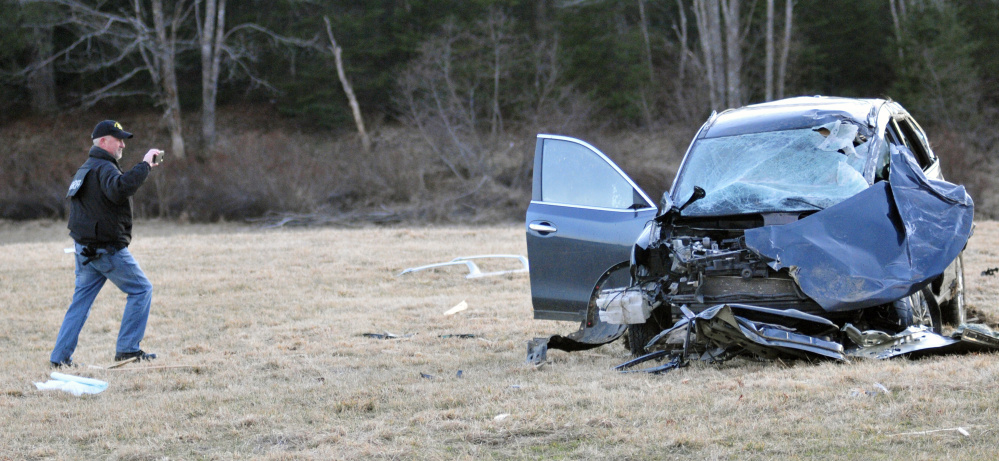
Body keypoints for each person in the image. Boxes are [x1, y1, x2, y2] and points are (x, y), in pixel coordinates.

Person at [50, 120, 162, 367]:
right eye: (118, 139)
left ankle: (59, 358)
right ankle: (128, 350)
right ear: (103, 141)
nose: (122, 144)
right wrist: (144, 165)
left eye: (123, 139)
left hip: (84, 250)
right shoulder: (105, 168)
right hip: (105, 250)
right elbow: (120, 189)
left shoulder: (86, 168)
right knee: (141, 289)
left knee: (80, 304)